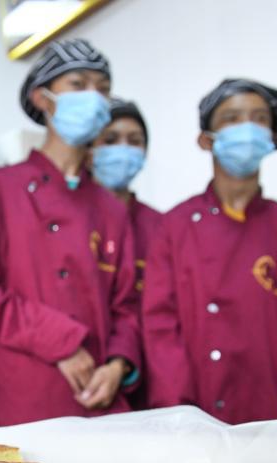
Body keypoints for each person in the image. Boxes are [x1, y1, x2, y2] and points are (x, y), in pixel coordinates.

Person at [0, 39, 141, 426]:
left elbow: (126, 305)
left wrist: (117, 365)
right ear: (42, 99)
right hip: (21, 395)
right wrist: (63, 344)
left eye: (102, 88)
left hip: (95, 397)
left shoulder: (111, 209)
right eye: (78, 84)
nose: (93, 97)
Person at [142, 78, 277, 423]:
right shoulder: (174, 227)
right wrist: (176, 410)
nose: (247, 128)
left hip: (271, 411)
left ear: (271, 137)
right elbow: (160, 325)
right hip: (195, 412)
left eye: (259, 118)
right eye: (232, 118)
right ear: (206, 140)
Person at [90, 97, 163, 409]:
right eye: (110, 140)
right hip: (82, 377)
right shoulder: (71, 223)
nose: (123, 149)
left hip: (150, 383)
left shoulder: (161, 227)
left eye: (134, 141)